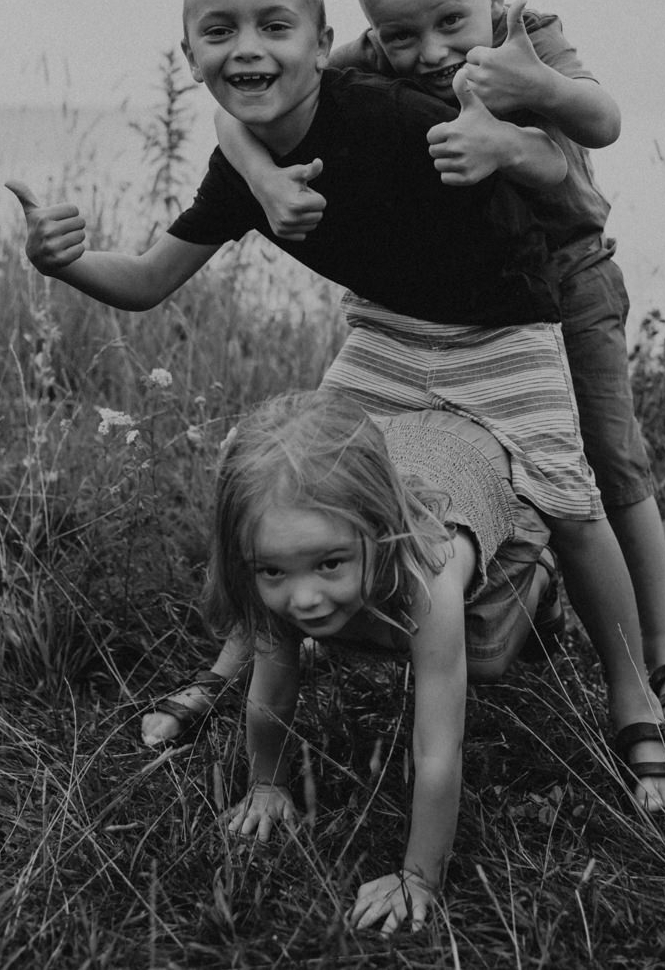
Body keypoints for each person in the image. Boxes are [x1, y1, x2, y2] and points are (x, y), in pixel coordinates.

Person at [7, 0, 665, 814]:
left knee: (570, 500)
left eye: (273, 26)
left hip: (502, 324)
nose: (248, 48)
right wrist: (63, 261)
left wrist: (506, 146)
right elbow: (146, 281)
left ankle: (635, 702)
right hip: (385, 332)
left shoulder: (392, 115)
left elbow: (564, 187)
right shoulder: (241, 166)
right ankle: (235, 666)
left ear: (321, 39)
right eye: (219, 32)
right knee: (306, 477)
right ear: (189, 56)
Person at [212, 0, 665, 730]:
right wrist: (263, 179)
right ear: (374, 29)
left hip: (568, 278)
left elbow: (603, 120)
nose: (430, 52)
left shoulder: (524, 33)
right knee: (346, 455)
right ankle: (262, 644)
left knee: (604, 462)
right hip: (451, 300)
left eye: (451, 20)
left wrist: (534, 94)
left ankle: (664, 654)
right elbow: (253, 104)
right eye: (401, 35)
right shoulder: (373, 55)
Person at [189, 389, 589, 934]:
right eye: (273, 572)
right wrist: (266, 783)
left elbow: (435, 747)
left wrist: (418, 876)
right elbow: (271, 693)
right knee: (350, 621)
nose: (302, 598)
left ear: (378, 532)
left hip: (477, 466)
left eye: (329, 562)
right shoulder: (283, 551)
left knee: (486, 659)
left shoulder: (429, 570)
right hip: (402, 442)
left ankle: (538, 573)